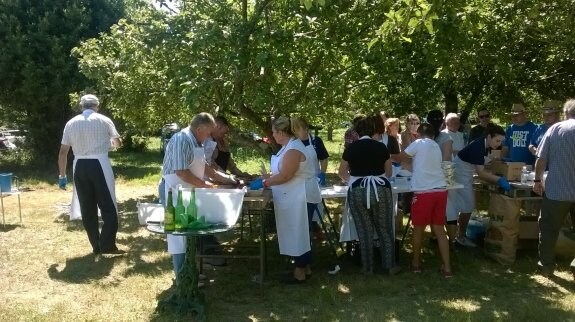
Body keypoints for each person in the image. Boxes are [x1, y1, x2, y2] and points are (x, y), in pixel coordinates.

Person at [162, 112, 238, 282]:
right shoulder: (182, 139)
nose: (209, 136)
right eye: (207, 132)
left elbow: (206, 168)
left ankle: (190, 272)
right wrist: (205, 185)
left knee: (191, 233)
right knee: (179, 236)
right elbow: (181, 172)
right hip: (173, 191)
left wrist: (227, 179)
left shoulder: (197, 141)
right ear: (199, 128)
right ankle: (182, 277)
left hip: (188, 191)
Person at [250, 116, 318, 283]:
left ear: (281, 132)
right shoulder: (287, 147)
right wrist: (267, 176)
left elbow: (286, 175)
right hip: (292, 196)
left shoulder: (294, 149)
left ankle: (299, 272)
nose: (273, 136)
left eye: (274, 132)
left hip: (300, 196)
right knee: (296, 232)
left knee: (298, 232)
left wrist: (265, 183)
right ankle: (304, 268)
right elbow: (282, 170)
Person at [57, 94, 123, 255]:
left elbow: (63, 153)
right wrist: (113, 144)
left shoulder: (71, 123)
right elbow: (117, 143)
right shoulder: (104, 120)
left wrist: (62, 175)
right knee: (108, 205)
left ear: (81, 107)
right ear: (97, 106)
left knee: (87, 207)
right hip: (99, 163)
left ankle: (96, 244)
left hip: (79, 165)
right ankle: (107, 244)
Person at [338, 115, 399, 275]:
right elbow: (389, 172)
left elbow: (341, 172)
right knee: (385, 229)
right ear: (373, 131)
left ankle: (367, 267)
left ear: (357, 132)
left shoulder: (351, 148)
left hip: (358, 190)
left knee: (363, 231)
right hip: (380, 189)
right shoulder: (381, 147)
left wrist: (354, 180)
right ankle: (389, 266)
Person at [396, 123, 452, 277]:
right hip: (440, 190)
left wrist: (387, 155)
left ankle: (415, 263)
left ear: (418, 134)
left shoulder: (419, 143)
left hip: (424, 192)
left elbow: (401, 157)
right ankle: (447, 267)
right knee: (440, 230)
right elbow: (420, 166)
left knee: (419, 228)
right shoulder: (435, 146)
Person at [446, 124, 510, 247]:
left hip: (465, 175)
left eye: (501, 141)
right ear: (489, 136)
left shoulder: (485, 145)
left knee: (466, 206)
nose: (499, 144)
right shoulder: (478, 146)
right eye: (497, 140)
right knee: (468, 206)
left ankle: (459, 235)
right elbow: (481, 173)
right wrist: (499, 180)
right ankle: (459, 237)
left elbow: (484, 164)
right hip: (459, 176)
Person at [532, 99, 575, 277]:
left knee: (549, 229)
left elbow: (541, 159)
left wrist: (537, 180)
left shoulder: (555, 129)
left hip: (558, 190)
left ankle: (547, 266)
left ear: (565, 113)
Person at [291, 116, 327, 239]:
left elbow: (324, 158)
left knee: (314, 206)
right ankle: (307, 232)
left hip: (314, 179)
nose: (305, 131)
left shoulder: (316, 141)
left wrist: (323, 173)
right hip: (299, 182)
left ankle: (315, 227)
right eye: (301, 129)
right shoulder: (293, 144)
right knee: (302, 211)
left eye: (305, 128)